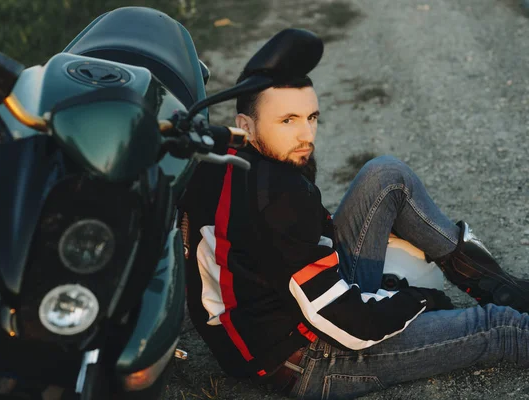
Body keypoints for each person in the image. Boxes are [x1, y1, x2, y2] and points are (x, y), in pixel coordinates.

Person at [179, 72, 529, 400]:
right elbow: (353, 328)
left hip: (280, 316)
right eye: (287, 121)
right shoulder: (278, 197)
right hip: (307, 358)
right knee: (502, 326)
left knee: (387, 177)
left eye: (311, 117)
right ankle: (510, 311)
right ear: (246, 126)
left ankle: (498, 286)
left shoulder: (218, 154)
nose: (306, 136)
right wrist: (418, 300)